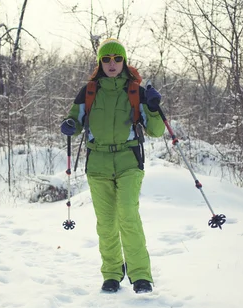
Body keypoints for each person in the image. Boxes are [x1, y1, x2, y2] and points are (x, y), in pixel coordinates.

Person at [60, 38, 165, 293]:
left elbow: (157, 130)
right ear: (100, 62)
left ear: (124, 61)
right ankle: (112, 274)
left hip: (129, 162)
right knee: (106, 223)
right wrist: (70, 125)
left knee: (128, 215)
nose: (112, 64)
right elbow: (73, 122)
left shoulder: (136, 91)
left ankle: (141, 275)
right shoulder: (89, 92)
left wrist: (152, 107)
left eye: (117, 59)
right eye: (106, 59)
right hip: (98, 165)